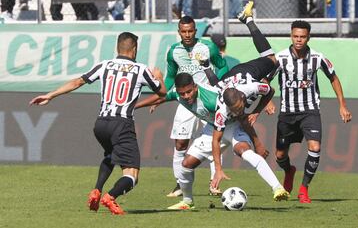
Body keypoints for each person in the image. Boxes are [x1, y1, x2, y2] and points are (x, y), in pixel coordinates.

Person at [29, 32, 167, 215]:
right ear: (134, 50)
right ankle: (111, 196)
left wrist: (50, 95)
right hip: (122, 124)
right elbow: (162, 93)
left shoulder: (104, 65)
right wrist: (159, 77)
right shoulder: (141, 70)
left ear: (117, 48)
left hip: (101, 124)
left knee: (110, 155)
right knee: (132, 174)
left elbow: (78, 82)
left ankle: (96, 189)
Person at [238, 2, 352, 203]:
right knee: (280, 156)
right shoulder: (281, 58)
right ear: (291, 36)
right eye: (295, 36)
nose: (299, 40)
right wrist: (267, 103)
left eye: (303, 37)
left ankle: (304, 189)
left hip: (310, 111)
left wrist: (342, 104)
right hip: (287, 112)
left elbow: (333, 78)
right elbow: (265, 81)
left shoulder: (317, 58)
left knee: (315, 148)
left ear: (308, 37)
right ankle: (288, 171)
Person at [136, 70, 289, 209]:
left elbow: (230, 128)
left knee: (245, 153)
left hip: (233, 125)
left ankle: (278, 188)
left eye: (189, 92)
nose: (186, 96)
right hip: (212, 128)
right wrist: (135, 106)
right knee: (186, 164)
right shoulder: (177, 94)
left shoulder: (212, 101)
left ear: (195, 87)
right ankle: (187, 202)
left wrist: (257, 144)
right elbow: (162, 96)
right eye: (183, 94)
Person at [159, 15, 228, 197]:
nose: (187, 34)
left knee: (216, 140)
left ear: (195, 31)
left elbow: (222, 66)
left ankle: (214, 183)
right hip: (186, 100)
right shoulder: (173, 51)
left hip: (208, 99)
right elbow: (171, 76)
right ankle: (180, 184)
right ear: (179, 32)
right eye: (184, 31)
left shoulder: (208, 47)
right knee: (180, 143)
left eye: (190, 31)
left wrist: (220, 86)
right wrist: (161, 96)